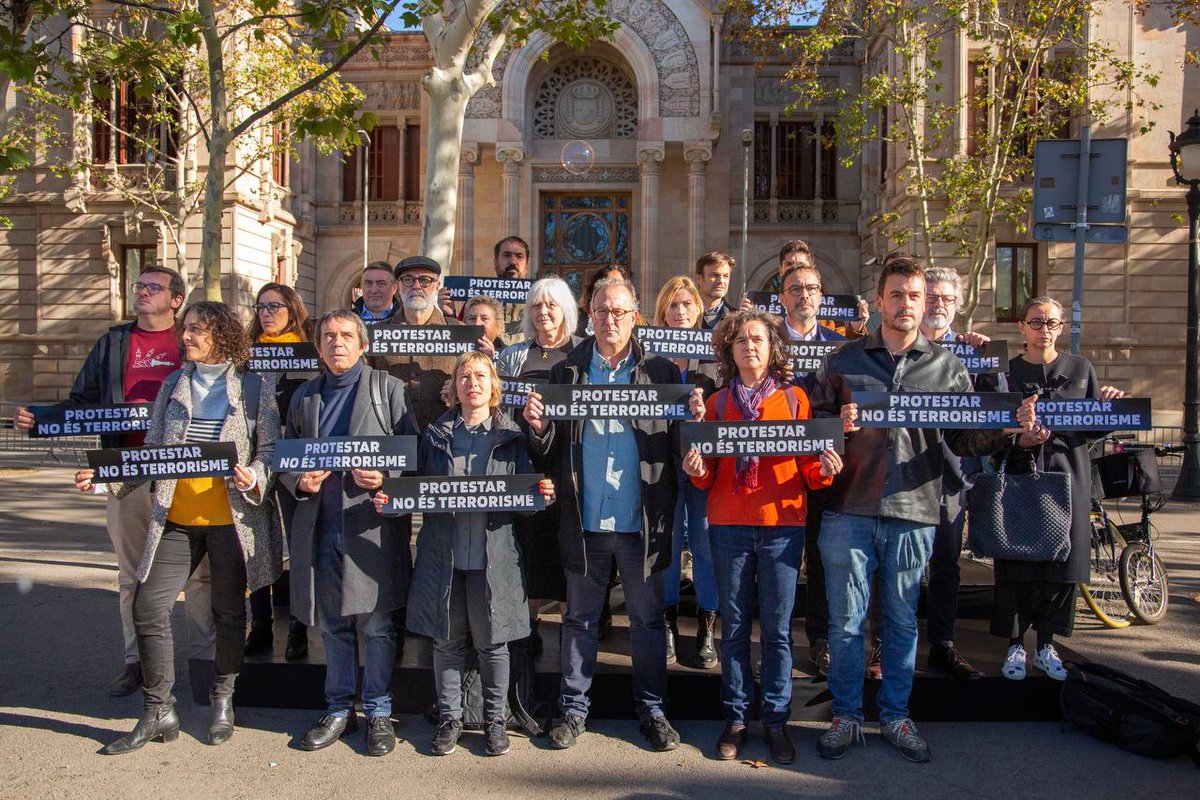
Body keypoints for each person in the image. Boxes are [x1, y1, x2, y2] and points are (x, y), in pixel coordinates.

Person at [807, 254, 1037, 763]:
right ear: (879, 299)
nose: (906, 304)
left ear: (923, 301)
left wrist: (1007, 431)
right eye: (897, 294)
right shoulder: (843, 360)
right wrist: (835, 428)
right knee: (847, 621)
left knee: (902, 620)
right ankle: (846, 715)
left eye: (915, 295)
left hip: (915, 510)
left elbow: (963, 437)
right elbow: (813, 425)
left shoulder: (947, 366)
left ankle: (894, 716)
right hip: (850, 507)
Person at [78, 300, 282, 754]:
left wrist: (256, 476)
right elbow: (152, 451)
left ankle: (223, 697)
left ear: (221, 336)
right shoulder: (173, 383)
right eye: (185, 329)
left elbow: (269, 449)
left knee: (229, 613)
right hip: (175, 518)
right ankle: (158, 708)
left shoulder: (254, 387)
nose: (185, 337)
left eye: (195, 331)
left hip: (232, 521)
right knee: (148, 608)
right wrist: (105, 476)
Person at [16, 266, 213, 698]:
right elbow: (82, 402)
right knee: (132, 575)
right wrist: (41, 418)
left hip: (186, 471)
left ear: (175, 299)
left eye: (152, 287)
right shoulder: (113, 342)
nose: (141, 292)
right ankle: (136, 662)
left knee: (200, 575)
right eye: (139, 286)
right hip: (125, 471)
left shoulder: (194, 338)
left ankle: (206, 662)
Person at [524, 277, 697, 753]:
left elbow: (676, 445)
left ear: (635, 316)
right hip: (584, 519)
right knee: (578, 620)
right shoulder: (566, 371)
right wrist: (539, 428)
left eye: (619, 312)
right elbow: (549, 448)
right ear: (590, 315)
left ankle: (652, 709)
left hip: (640, 521)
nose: (610, 320)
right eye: (601, 311)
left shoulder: (660, 371)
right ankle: (573, 709)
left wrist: (694, 420)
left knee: (645, 621)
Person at [376, 351, 555, 758]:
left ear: (494, 386)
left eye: (480, 376)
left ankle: (495, 721)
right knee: (447, 643)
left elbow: (525, 498)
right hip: (446, 558)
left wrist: (540, 496)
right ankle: (450, 719)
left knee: (494, 646)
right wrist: (392, 499)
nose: (472, 383)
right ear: (454, 387)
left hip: (494, 560)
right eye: (464, 376)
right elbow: (414, 487)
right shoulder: (435, 435)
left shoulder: (511, 438)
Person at [683, 309, 842, 764]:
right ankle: (735, 719)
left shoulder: (795, 400)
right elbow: (705, 471)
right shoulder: (716, 404)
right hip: (730, 524)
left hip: (782, 527)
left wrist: (825, 470)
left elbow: (810, 470)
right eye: (741, 340)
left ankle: (775, 720)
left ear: (773, 348)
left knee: (776, 630)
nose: (749, 346)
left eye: (758, 339)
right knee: (734, 628)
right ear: (729, 352)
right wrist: (696, 469)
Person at [282, 309, 419, 757]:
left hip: (371, 527)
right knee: (334, 624)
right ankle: (339, 708)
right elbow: (286, 457)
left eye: (345, 336)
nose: (336, 343)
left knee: (378, 625)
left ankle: (379, 710)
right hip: (322, 524)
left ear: (363, 345)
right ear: (319, 346)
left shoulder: (389, 390)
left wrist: (386, 475)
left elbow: (413, 455)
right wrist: (299, 482)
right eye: (328, 336)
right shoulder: (305, 396)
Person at [994, 296, 1122, 682]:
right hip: (1021, 476)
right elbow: (995, 431)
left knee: (1062, 565)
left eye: (1051, 323)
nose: (1043, 330)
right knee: (1017, 562)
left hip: (1069, 478)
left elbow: (1091, 427)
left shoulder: (1080, 368)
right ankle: (1015, 645)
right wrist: (1021, 440)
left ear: (1061, 326)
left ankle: (1046, 645)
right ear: (1022, 327)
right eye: (1036, 322)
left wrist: (1107, 407)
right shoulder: (1008, 372)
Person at [917, 267, 1007, 679]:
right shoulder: (902, 348)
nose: (938, 305)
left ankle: (943, 643)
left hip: (952, 477)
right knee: (893, 565)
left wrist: (988, 363)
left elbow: (999, 408)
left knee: (946, 565)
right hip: (904, 473)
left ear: (957, 305)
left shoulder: (973, 353)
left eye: (946, 300)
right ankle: (884, 648)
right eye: (931, 297)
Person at [495, 277, 580, 644]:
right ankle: (526, 634)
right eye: (536, 306)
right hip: (524, 465)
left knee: (567, 551)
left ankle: (571, 630)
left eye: (551, 305)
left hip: (569, 466)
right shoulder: (513, 355)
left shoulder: (582, 354)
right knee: (527, 549)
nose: (543, 312)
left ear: (566, 310)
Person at [776, 261, 846, 679]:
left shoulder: (841, 348)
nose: (804, 295)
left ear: (821, 296)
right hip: (776, 468)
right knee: (778, 561)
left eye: (811, 288)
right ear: (782, 297)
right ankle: (775, 641)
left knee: (821, 558)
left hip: (821, 467)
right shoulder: (766, 341)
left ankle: (820, 641)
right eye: (795, 288)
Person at [651, 275, 719, 668]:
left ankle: (708, 625)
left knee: (706, 542)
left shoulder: (712, 355)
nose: (680, 312)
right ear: (662, 311)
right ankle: (668, 622)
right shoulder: (649, 355)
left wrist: (703, 409)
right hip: (661, 462)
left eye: (687, 305)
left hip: (703, 462)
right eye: (673, 305)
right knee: (668, 544)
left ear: (698, 310)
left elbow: (727, 404)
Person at [244, 282, 312, 662]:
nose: (267, 313)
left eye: (275, 306)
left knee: (298, 546)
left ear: (292, 309)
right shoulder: (246, 356)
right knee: (256, 545)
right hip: (251, 460)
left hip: (291, 460)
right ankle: (261, 623)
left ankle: (299, 627)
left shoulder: (306, 354)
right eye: (261, 307)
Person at [372, 255, 463, 430]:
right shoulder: (377, 333)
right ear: (398, 287)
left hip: (445, 436)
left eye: (425, 280)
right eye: (408, 280)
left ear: (437, 286)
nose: (416, 286)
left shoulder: (459, 332)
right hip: (392, 436)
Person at [777, 240, 869, 338]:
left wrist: (855, 329)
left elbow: (842, 345)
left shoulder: (832, 313)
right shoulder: (762, 308)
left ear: (811, 269)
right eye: (789, 264)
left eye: (801, 265)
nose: (795, 269)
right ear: (780, 270)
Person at [696, 251, 735, 330]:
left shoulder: (736, 317)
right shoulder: (683, 315)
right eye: (715, 275)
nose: (721, 281)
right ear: (699, 279)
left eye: (725, 276)